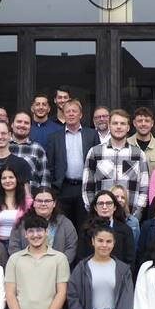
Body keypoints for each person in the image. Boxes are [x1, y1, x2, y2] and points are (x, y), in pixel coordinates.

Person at [83, 108, 150, 219]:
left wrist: (136, 213)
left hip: (128, 217)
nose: (119, 127)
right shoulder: (95, 152)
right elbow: (87, 186)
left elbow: (144, 187)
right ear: (109, 126)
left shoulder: (138, 154)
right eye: (115, 123)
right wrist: (93, 211)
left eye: (122, 123)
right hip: (100, 217)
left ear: (128, 127)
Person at [46, 98, 100, 230]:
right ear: (63, 115)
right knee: (63, 227)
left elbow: (98, 162)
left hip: (85, 188)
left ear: (80, 114)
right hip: (63, 188)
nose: (71, 114)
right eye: (67, 111)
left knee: (85, 226)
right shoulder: (54, 137)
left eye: (74, 111)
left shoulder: (92, 135)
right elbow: (50, 164)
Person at [8, 187, 77, 264]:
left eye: (47, 201)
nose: (43, 204)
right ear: (33, 203)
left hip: (56, 269)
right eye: (39, 201)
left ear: (54, 203)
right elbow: (14, 246)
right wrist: (24, 264)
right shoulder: (22, 223)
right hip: (26, 268)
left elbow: (71, 247)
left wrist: (59, 265)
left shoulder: (65, 223)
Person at [77, 190, 136, 266]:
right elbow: (81, 258)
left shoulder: (126, 230)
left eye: (108, 203)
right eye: (101, 203)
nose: (104, 207)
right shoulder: (86, 229)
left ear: (114, 207)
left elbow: (129, 260)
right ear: (95, 207)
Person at [0, 165, 33, 249]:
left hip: (20, 245)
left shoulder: (28, 202)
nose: (7, 180)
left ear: (17, 179)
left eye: (11, 177)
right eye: (4, 178)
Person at [10, 111, 51, 193]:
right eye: (19, 121)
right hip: (3, 200)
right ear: (12, 124)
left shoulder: (37, 149)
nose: (22, 125)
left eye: (26, 123)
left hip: (30, 200)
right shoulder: (3, 146)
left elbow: (45, 180)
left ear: (30, 127)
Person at [127, 106, 155, 174]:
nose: (143, 124)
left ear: (152, 123)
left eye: (147, 121)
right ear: (134, 123)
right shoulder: (126, 144)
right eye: (140, 121)